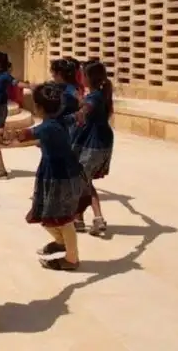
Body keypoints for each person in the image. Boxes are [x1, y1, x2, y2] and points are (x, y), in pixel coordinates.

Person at [3, 82, 91, 271]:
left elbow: (23, 135)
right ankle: (62, 243)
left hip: (61, 177)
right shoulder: (60, 120)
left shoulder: (48, 127)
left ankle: (72, 258)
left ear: (38, 108)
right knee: (48, 215)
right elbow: (76, 116)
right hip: (58, 174)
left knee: (62, 218)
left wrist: (0, 133)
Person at [72, 60, 115, 236]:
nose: (81, 77)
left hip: (94, 144)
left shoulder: (95, 98)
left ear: (89, 77)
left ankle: (96, 218)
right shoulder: (99, 95)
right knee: (84, 180)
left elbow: (86, 109)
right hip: (99, 142)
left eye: (83, 74)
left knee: (81, 180)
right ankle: (80, 219)